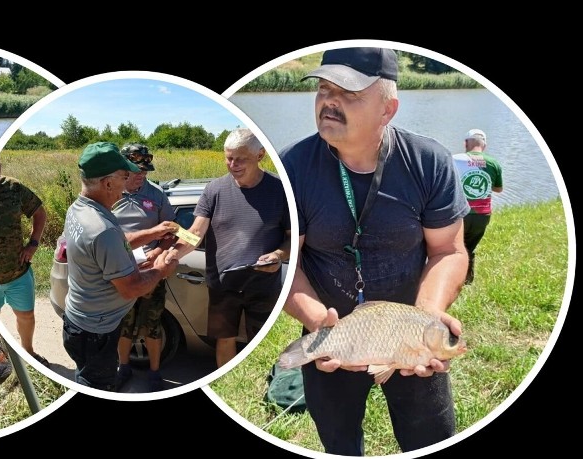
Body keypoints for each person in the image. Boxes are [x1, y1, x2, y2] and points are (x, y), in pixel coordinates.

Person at [277, 47, 470, 455]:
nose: (330, 100)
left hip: (409, 332)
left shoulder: (428, 161)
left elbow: (449, 251)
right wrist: (318, 324)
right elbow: (286, 263)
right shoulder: (293, 167)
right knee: (338, 443)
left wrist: (428, 314)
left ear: (388, 109)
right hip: (330, 330)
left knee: (430, 440)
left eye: (348, 92)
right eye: (324, 88)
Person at [166, 128, 290, 368]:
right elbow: (195, 233)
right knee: (224, 341)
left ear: (260, 155)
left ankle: (263, 385)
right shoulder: (214, 190)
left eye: (240, 158)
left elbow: (292, 239)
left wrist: (277, 255)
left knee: (263, 343)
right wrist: (174, 253)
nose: (232, 164)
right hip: (223, 286)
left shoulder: (280, 190)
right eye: (228, 157)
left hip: (263, 286)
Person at [62, 141, 178, 391]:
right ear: (107, 183)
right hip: (96, 332)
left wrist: (154, 234)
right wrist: (161, 270)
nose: (128, 183)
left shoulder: (78, 209)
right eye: (125, 176)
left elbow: (115, 243)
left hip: (80, 321)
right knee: (96, 386)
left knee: (87, 377)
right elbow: (130, 289)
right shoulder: (102, 229)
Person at [112, 143, 179, 391]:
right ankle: (124, 367)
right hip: (122, 272)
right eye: (135, 170)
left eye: (145, 171)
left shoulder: (156, 195)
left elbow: (170, 232)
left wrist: (159, 251)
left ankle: (154, 372)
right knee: (124, 324)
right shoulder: (110, 194)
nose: (141, 175)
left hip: (151, 271)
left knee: (153, 323)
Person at [0, 158, 49, 365]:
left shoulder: (13, 187)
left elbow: (40, 212)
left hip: (18, 273)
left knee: (26, 316)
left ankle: (28, 352)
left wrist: (33, 244)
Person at [452, 128, 503, 284]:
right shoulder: (493, 163)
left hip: (461, 213)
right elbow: (498, 189)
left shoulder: (455, 159)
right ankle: (468, 279)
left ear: (466, 143)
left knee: (454, 248)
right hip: (483, 215)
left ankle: (453, 279)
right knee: (470, 247)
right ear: (484, 146)